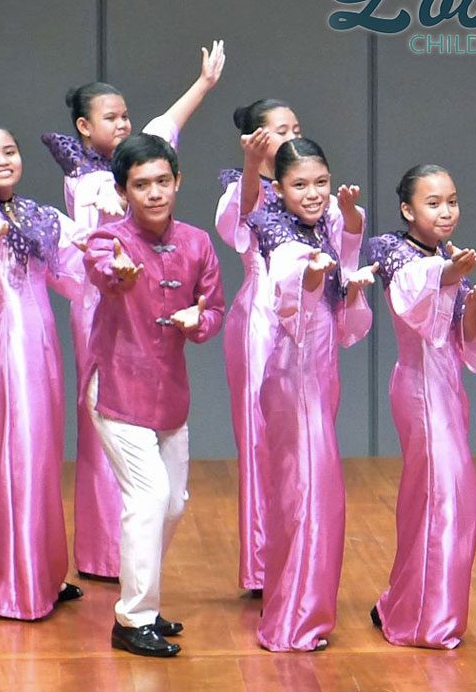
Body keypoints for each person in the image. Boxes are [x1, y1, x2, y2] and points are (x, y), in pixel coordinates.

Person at [43, 41, 225, 581]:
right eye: (111, 118)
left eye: (125, 116)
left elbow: (164, 127)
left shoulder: (143, 172)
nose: (123, 124)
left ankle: (126, 559)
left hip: (152, 304)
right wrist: (116, 268)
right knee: (113, 430)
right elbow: (98, 250)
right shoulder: (88, 179)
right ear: (82, 125)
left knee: (164, 479)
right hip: (106, 300)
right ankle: (105, 556)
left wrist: (204, 84)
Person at [83, 133, 224, 657]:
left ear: (178, 181)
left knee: (174, 505)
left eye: (163, 181)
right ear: (123, 192)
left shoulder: (197, 242)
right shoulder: (108, 239)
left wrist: (198, 320)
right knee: (147, 499)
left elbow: (215, 310)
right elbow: (100, 270)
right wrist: (117, 274)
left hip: (169, 394)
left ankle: (146, 600)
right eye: (141, 185)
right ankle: (132, 618)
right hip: (118, 388)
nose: (155, 193)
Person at [0, 123, 86, 620]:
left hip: (44, 336)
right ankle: (17, 584)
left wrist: (109, 245)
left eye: (10, 150)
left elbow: (74, 264)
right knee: (22, 453)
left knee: (45, 452)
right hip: (11, 337)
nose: (2, 159)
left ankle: (46, 572)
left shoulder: (36, 212)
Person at [252, 138, 374, 652]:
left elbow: (344, 289)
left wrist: (347, 226)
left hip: (320, 367)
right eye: (299, 185)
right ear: (278, 189)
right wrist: (310, 276)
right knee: (307, 491)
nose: (313, 193)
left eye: (321, 182)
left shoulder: (324, 224)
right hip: (294, 371)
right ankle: (294, 621)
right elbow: (287, 290)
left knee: (309, 490)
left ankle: (298, 609)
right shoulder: (275, 232)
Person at [367, 164, 476, 649]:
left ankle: (400, 602)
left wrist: (474, 306)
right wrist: (449, 273)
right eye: (433, 202)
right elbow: (414, 299)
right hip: (419, 388)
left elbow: (459, 334)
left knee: (433, 499)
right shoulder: (400, 253)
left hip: (445, 387)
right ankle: (425, 619)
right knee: (446, 498)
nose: (446, 211)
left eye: (452, 200)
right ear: (407, 209)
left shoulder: (446, 255)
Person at [215, 98, 302, 597]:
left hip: (307, 325)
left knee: (303, 440)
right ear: (254, 141)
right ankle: (262, 565)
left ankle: (298, 552)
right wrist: (252, 167)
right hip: (260, 322)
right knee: (258, 435)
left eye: (296, 127)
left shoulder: (310, 188)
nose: (290, 136)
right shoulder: (241, 188)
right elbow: (240, 222)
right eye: (278, 130)